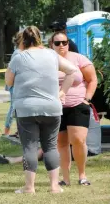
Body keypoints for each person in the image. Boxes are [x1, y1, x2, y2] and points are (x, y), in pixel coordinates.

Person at [5, 26, 77, 194]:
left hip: (26, 109)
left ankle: (29, 187)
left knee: (29, 147)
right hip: (52, 107)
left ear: (23, 40)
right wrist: (61, 93)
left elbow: (8, 81)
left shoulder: (19, 57)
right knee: (51, 146)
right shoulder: (52, 55)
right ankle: (54, 186)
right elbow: (72, 71)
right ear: (40, 39)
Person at [51, 31, 98, 186]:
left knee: (78, 139)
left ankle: (82, 175)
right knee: (61, 142)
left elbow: (92, 79)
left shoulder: (78, 59)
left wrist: (87, 98)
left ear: (68, 43)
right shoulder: (49, 60)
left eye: (64, 42)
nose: (61, 46)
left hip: (78, 104)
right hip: (56, 106)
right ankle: (65, 178)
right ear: (52, 45)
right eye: (57, 43)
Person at [2, 32, 22, 136]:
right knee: (14, 107)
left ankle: (18, 131)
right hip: (14, 84)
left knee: (16, 107)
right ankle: (6, 131)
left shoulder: (19, 51)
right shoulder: (18, 52)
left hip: (16, 84)